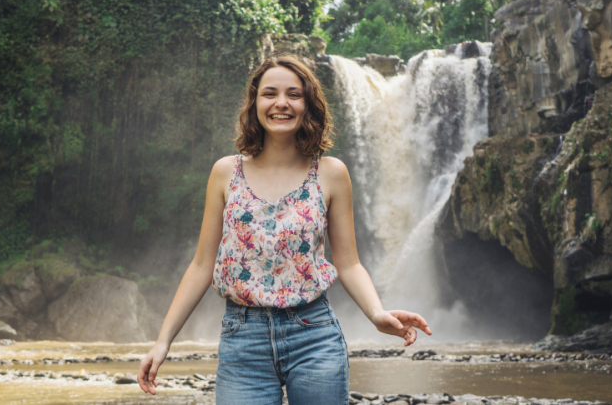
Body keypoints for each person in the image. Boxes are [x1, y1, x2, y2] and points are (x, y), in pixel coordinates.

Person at [137, 55, 432, 404]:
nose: (281, 103)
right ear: (254, 103)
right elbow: (202, 265)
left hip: (314, 336)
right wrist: (163, 341)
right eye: (270, 94)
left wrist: (376, 313)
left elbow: (349, 263)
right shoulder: (225, 173)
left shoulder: (331, 173)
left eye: (294, 94)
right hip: (242, 340)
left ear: (308, 105)